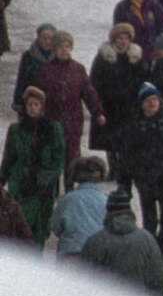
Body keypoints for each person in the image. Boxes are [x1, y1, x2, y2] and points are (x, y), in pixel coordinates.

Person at [112, 84, 163, 252]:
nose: (152, 103)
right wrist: (125, 184)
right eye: (148, 100)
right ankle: (151, 250)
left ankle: (160, 244)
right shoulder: (134, 126)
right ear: (141, 104)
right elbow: (125, 158)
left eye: (155, 99)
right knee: (150, 220)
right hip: (145, 178)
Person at [80, 186, 163, 296]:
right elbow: (157, 279)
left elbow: (85, 281)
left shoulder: (96, 241)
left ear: (108, 211)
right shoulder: (147, 239)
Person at [2, 87, 65, 242]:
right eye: (30, 105)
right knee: (21, 228)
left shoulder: (53, 128)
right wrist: (2, 179)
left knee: (41, 227)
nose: (33, 108)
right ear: (25, 106)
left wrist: (47, 177)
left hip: (44, 185)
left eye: (36, 104)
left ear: (42, 106)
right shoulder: (16, 130)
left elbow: (59, 157)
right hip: (21, 184)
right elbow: (9, 158)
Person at [36, 32, 104, 173]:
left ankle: (70, 187)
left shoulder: (78, 69)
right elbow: (37, 95)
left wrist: (98, 112)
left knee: (72, 158)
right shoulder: (46, 70)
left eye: (67, 46)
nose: (64, 50)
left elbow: (89, 93)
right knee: (51, 157)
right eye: (61, 47)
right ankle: (50, 190)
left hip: (73, 122)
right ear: (55, 49)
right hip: (52, 121)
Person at [90, 21, 149, 138]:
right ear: (114, 39)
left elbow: (142, 81)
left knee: (128, 142)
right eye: (120, 38)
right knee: (110, 142)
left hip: (129, 108)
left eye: (126, 38)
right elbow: (95, 81)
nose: (123, 41)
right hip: (108, 106)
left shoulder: (136, 57)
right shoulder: (104, 57)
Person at [51, 154, 111, 255]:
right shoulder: (107, 200)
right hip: (99, 253)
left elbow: (55, 227)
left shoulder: (68, 199)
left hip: (72, 250)